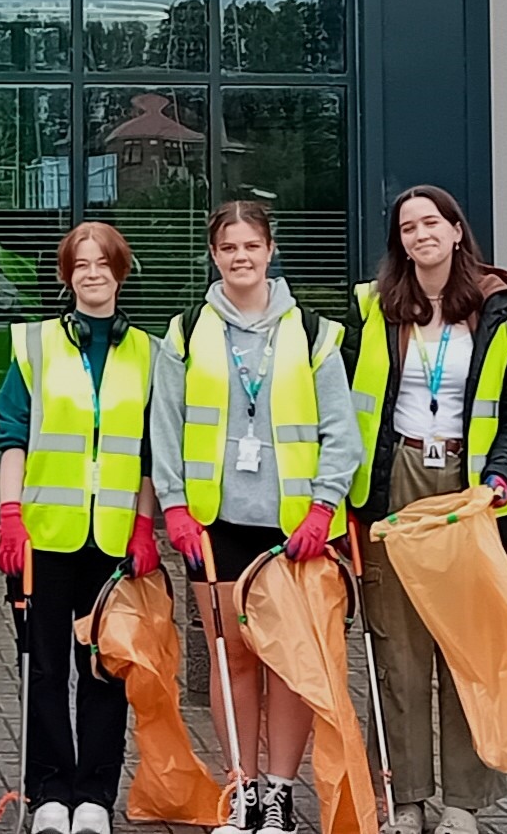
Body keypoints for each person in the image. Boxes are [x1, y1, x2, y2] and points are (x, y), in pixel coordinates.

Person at [148, 200, 363, 834]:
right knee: (232, 656)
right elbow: (165, 427)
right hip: (214, 522)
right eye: (228, 248)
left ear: (270, 250)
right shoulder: (187, 331)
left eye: (251, 246)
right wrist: (174, 504)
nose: (240, 258)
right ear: (213, 256)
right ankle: (241, 786)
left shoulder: (315, 333)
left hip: (293, 526)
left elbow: (340, 433)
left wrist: (325, 506)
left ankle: (280, 792)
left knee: (287, 659)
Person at [341, 186, 507, 834]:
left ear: (456, 230)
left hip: (469, 488)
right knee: (396, 649)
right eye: (407, 227)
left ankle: (461, 800)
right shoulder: (375, 308)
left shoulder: (498, 309)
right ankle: (404, 795)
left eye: (431, 222)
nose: (419, 234)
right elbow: (345, 404)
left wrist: (502, 476)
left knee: (464, 647)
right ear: (398, 242)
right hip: (392, 482)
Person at [0, 223, 162, 834]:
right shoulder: (35, 346)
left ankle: (94, 794)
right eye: (79, 265)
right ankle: (49, 794)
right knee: (43, 667)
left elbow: (150, 452)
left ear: (120, 272)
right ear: (66, 276)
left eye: (102, 263)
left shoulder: (150, 352)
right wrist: (9, 516)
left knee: (104, 666)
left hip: (113, 537)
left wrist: (145, 527)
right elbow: (11, 436)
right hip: (46, 533)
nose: (91, 274)